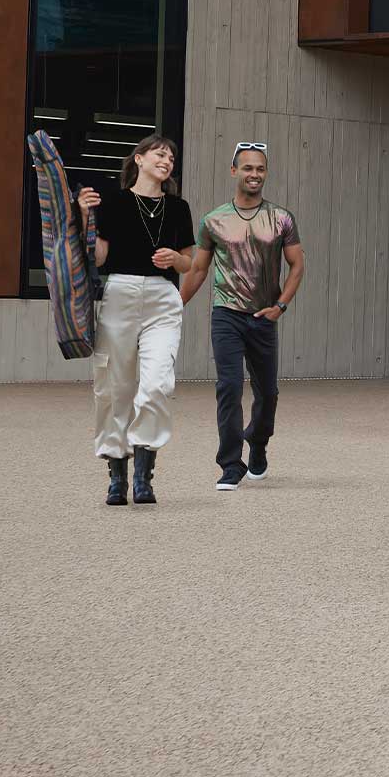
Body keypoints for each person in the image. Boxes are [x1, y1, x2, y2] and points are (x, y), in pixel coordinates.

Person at [77, 136, 197, 506]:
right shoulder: (114, 202)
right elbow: (98, 258)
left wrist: (174, 260)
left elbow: (190, 262)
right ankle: (117, 477)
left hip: (163, 298)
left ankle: (144, 477)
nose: (167, 160)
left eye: (171, 157)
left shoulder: (178, 207)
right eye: (160, 154)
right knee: (114, 386)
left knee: (157, 383)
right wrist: (85, 216)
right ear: (139, 159)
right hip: (120, 293)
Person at [182, 143, 305, 491]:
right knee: (229, 386)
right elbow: (198, 269)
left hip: (265, 316)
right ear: (234, 171)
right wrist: (175, 306)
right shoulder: (213, 220)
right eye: (248, 168)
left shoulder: (281, 218)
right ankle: (230, 464)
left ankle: (258, 441)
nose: (255, 174)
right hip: (227, 315)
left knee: (268, 393)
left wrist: (280, 306)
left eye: (260, 169)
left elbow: (297, 265)